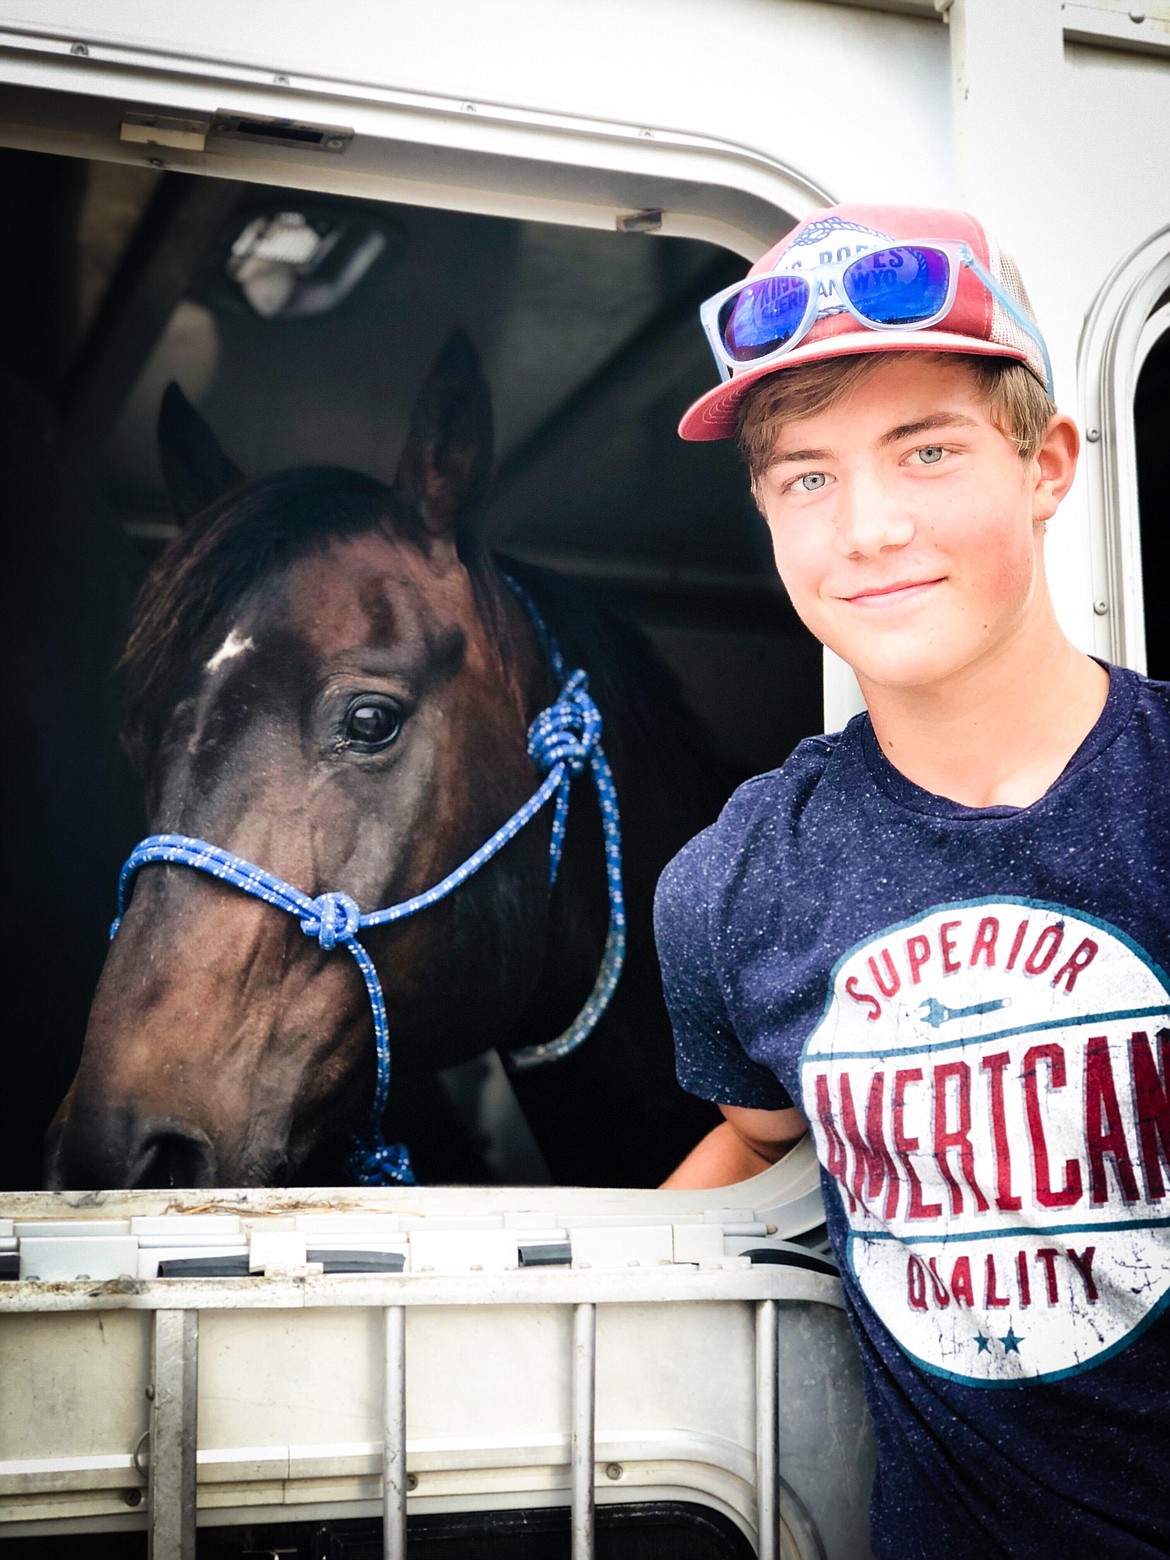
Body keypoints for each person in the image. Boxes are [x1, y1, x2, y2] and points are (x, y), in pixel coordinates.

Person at [653, 203, 1169, 1558]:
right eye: (804, 478)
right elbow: (762, 1145)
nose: (867, 527)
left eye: (926, 451)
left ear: (1045, 465)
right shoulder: (735, 881)